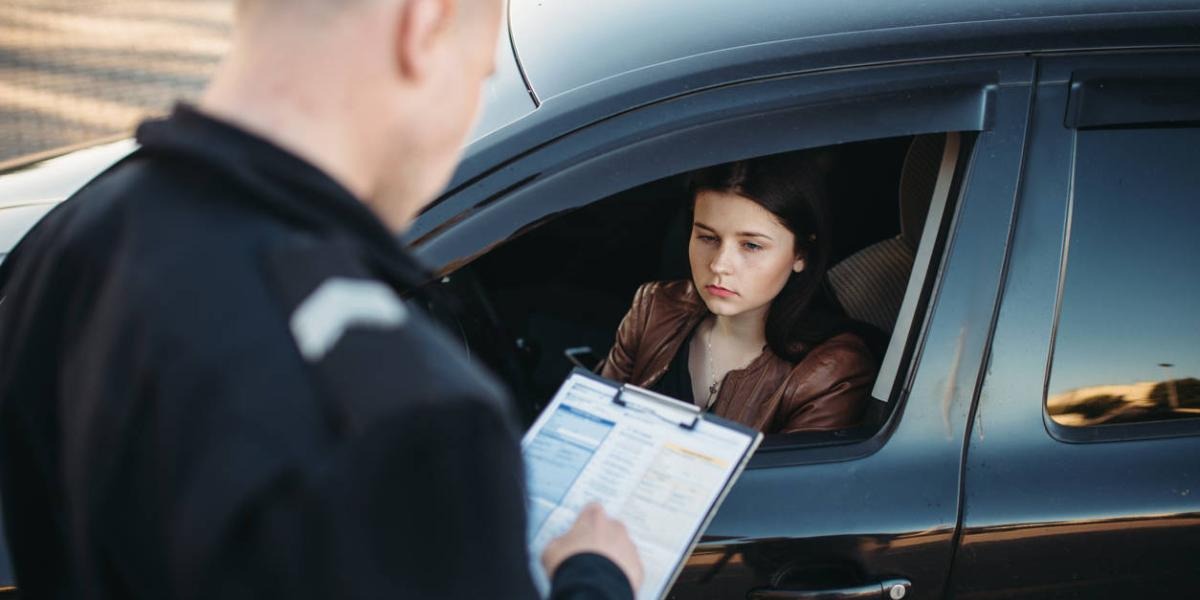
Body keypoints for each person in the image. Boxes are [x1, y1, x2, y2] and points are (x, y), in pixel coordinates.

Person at [0, 0, 641, 598]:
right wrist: (595, 581)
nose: (468, 114)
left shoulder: (69, 241)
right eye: (480, 77)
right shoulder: (418, 425)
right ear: (423, 25)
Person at [598, 153, 877, 434]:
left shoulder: (829, 372)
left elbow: (787, 479)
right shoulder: (655, 309)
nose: (719, 265)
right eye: (708, 238)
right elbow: (591, 425)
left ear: (801, 254)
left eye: (751, 246)